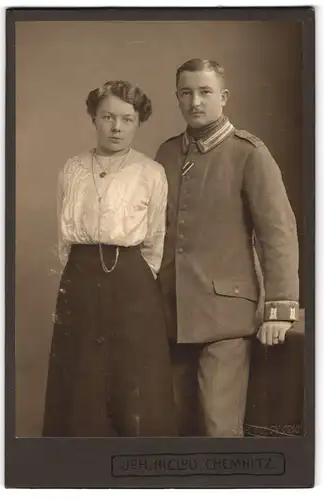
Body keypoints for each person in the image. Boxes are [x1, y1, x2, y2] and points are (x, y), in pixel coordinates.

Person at [155, 59, 299, 437]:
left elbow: (278, 233)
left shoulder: (249, 153)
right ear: (177, 98)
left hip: (226, 318)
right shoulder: (167, 154)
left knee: (219, 431)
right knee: (171, 429)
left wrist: (280, 309)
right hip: (170, 315)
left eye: (205, 92)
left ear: (224, 96)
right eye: (186, 93)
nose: (195, 102)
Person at [42, 80, 177, 437]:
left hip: (132, 281)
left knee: (133, 380)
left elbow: (155, 241)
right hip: (81, 276)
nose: (117, 128)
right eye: (108, 117)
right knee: (81, 377)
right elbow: (63, 235)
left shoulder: (151, 172)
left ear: (138, 122)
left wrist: (131, 279)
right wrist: (82, 271)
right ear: (94, 119)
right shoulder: (71, 169)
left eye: (127, 119)